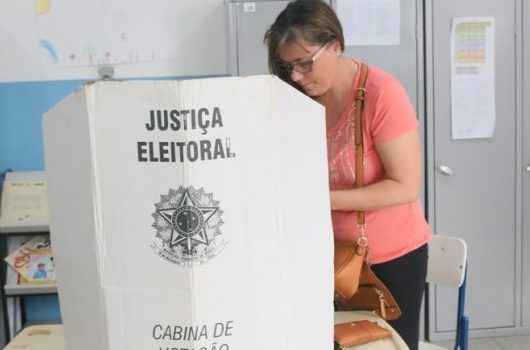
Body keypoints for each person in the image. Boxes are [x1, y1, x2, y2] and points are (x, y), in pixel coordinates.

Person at [264, 1, 432, 349]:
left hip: (386, 262)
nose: (296, 75)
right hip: (319, 252)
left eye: (304, 63)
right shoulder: (295, 97)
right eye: (287, 66)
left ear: (336, 44)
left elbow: (406, 186)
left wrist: (325, 201)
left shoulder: (381, 94)